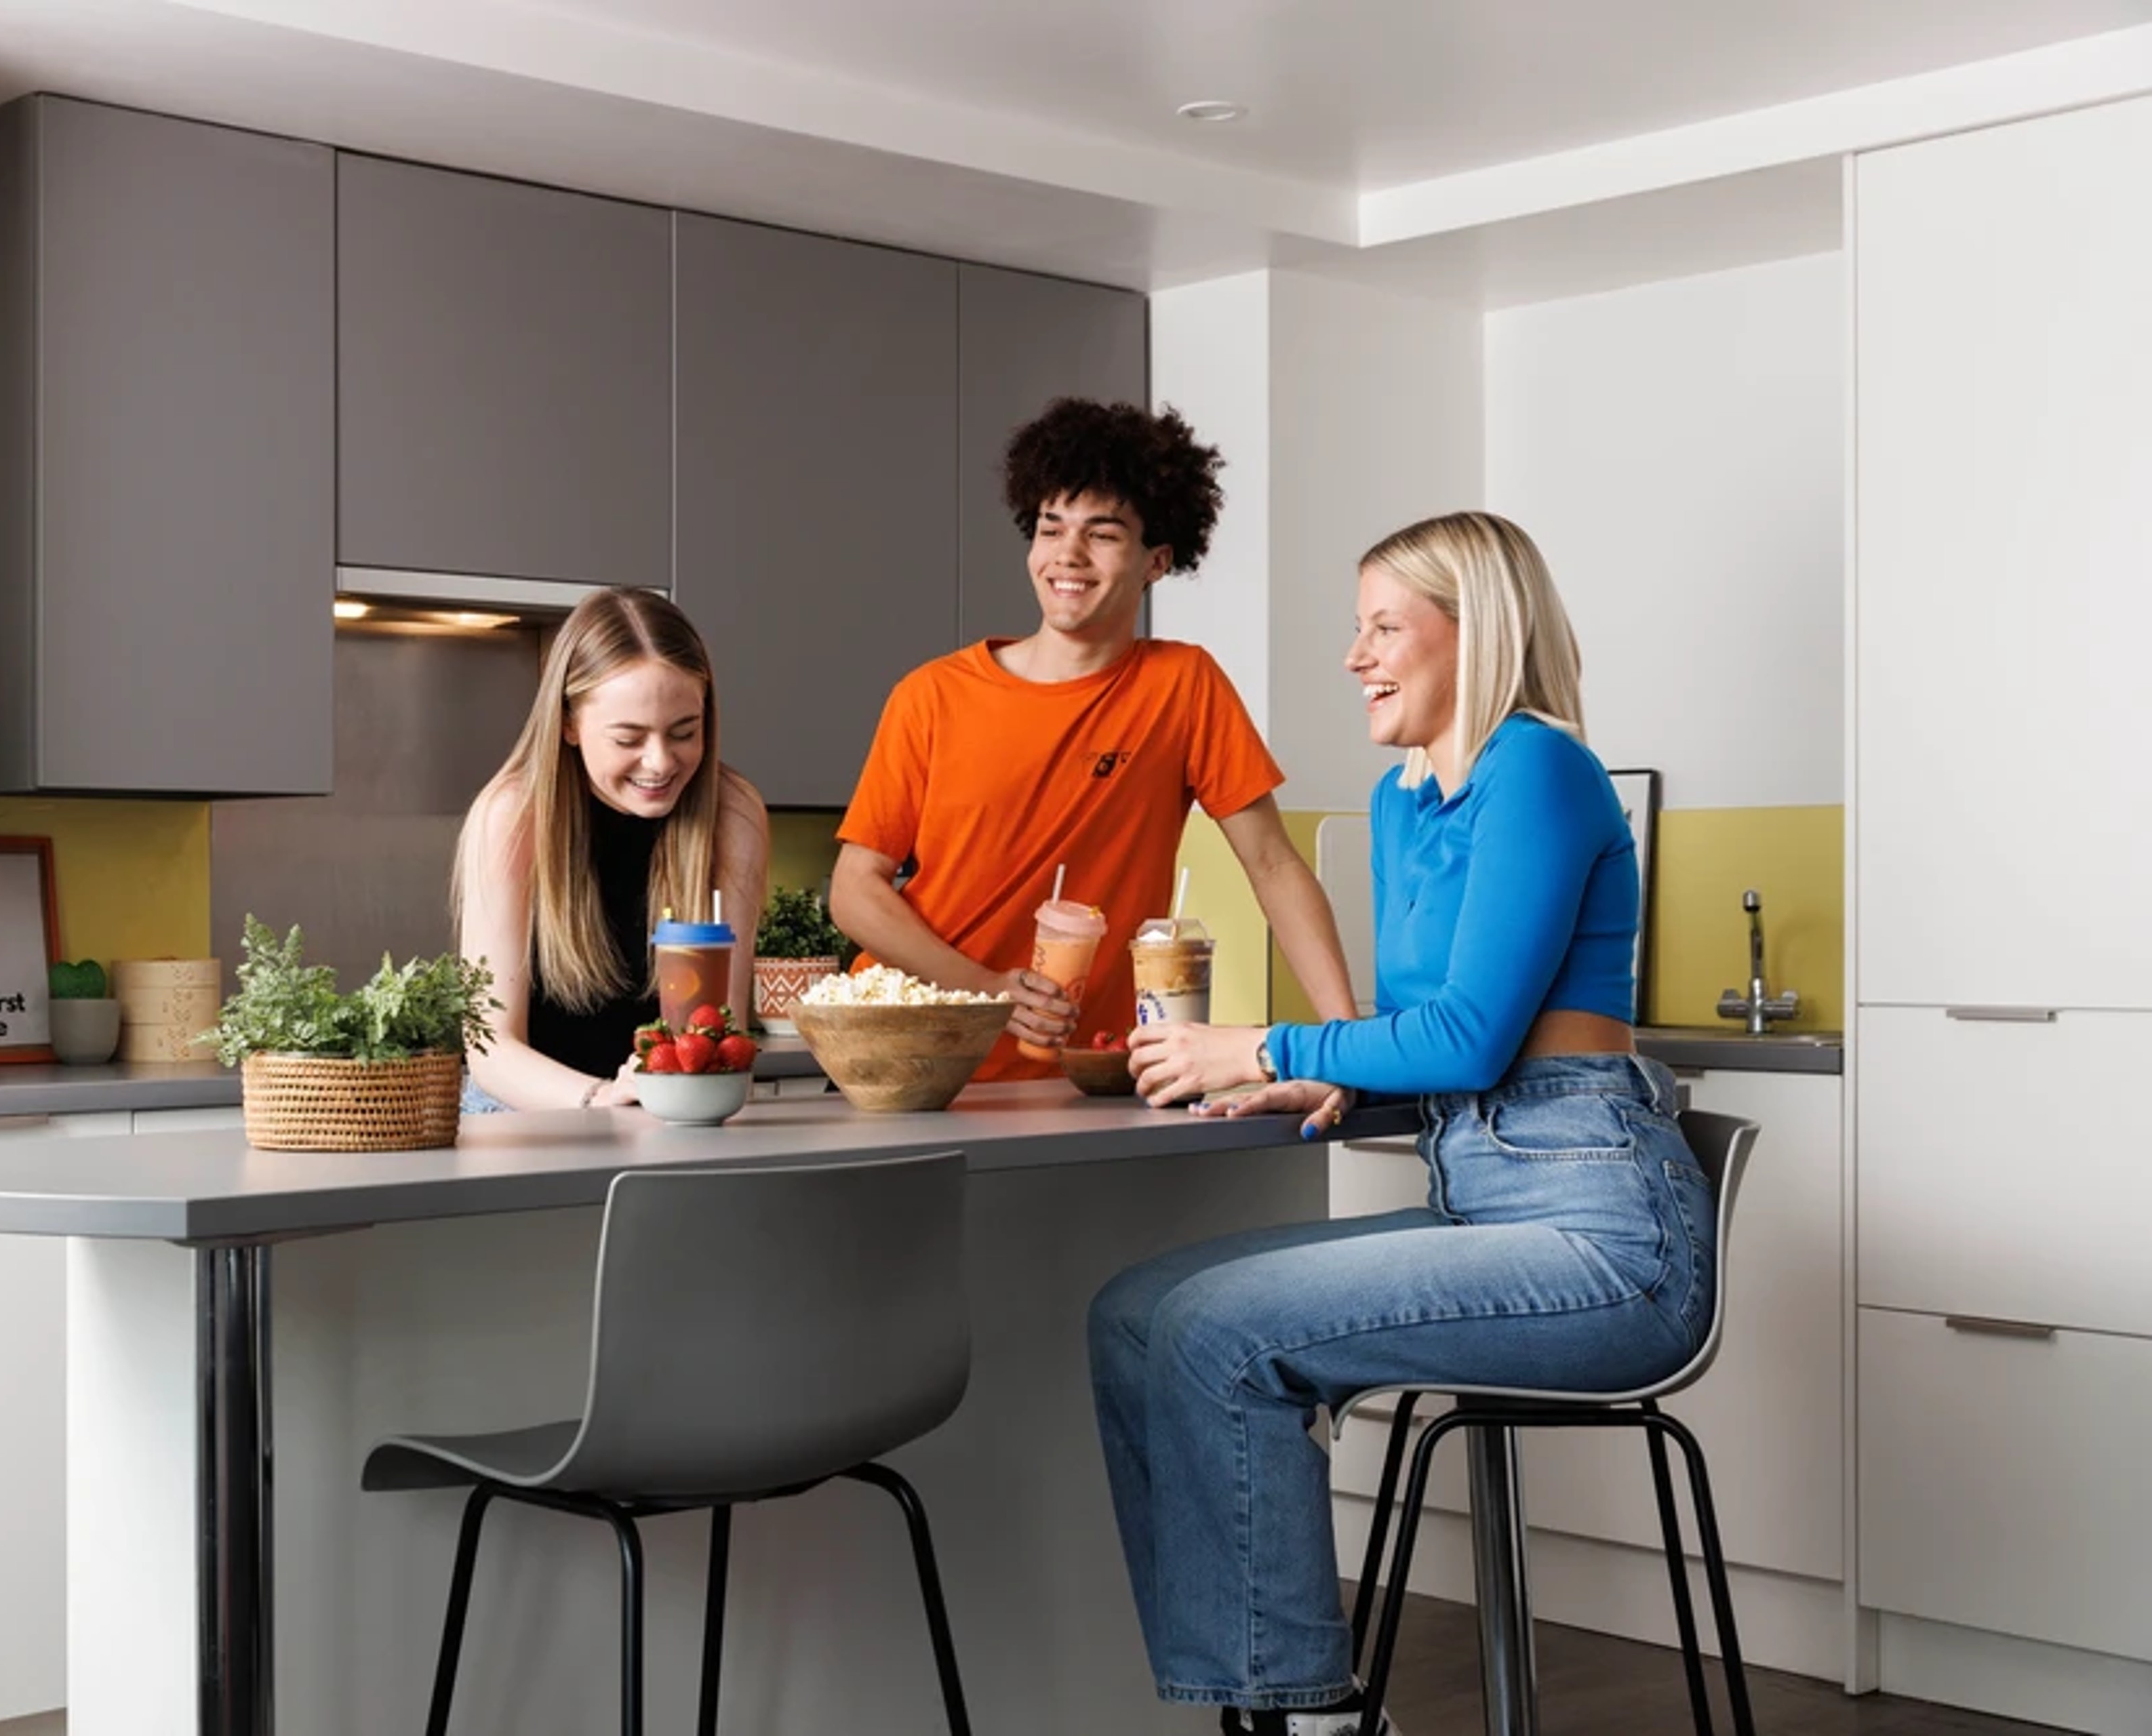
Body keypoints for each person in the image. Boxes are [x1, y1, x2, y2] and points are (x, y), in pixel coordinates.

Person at [1092, 511, 1716, 1735]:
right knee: (1131, 1316)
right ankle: (1264, 1708)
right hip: (1481, 1194)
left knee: (1220, 1334)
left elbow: (1474, 1039)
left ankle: (1312, 1722)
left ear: (1471, 633)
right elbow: (1426, 1029)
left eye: (1384, 625)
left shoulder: (1541, 768)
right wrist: (1335, 1074)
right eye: (1359, 627)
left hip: (1605, 1238)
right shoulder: (1401, 801)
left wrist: (1261, 1042)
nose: (1355, 655)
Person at [830, 398, 1357, 1078]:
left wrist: (1347, 1045)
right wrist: (988, 986)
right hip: (912, 1064)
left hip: (1086, 1076)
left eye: (1102, 533)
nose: (1067, 555)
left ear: (1157, 559)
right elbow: (854, 887)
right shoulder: (932, 695)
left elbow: (1276, 868)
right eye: (1051, 528)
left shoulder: (1183, 685)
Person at [452, 588, 769, 1112]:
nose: (661, 761)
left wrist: (677, 1094)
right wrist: (603, 1097)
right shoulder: (513, 817)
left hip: (669, 1112)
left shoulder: (733, 816)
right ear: (570, 723)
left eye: (685, 732)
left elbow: (721, 1032)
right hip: (523, 1114)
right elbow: (491, 1047)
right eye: (629, 739)